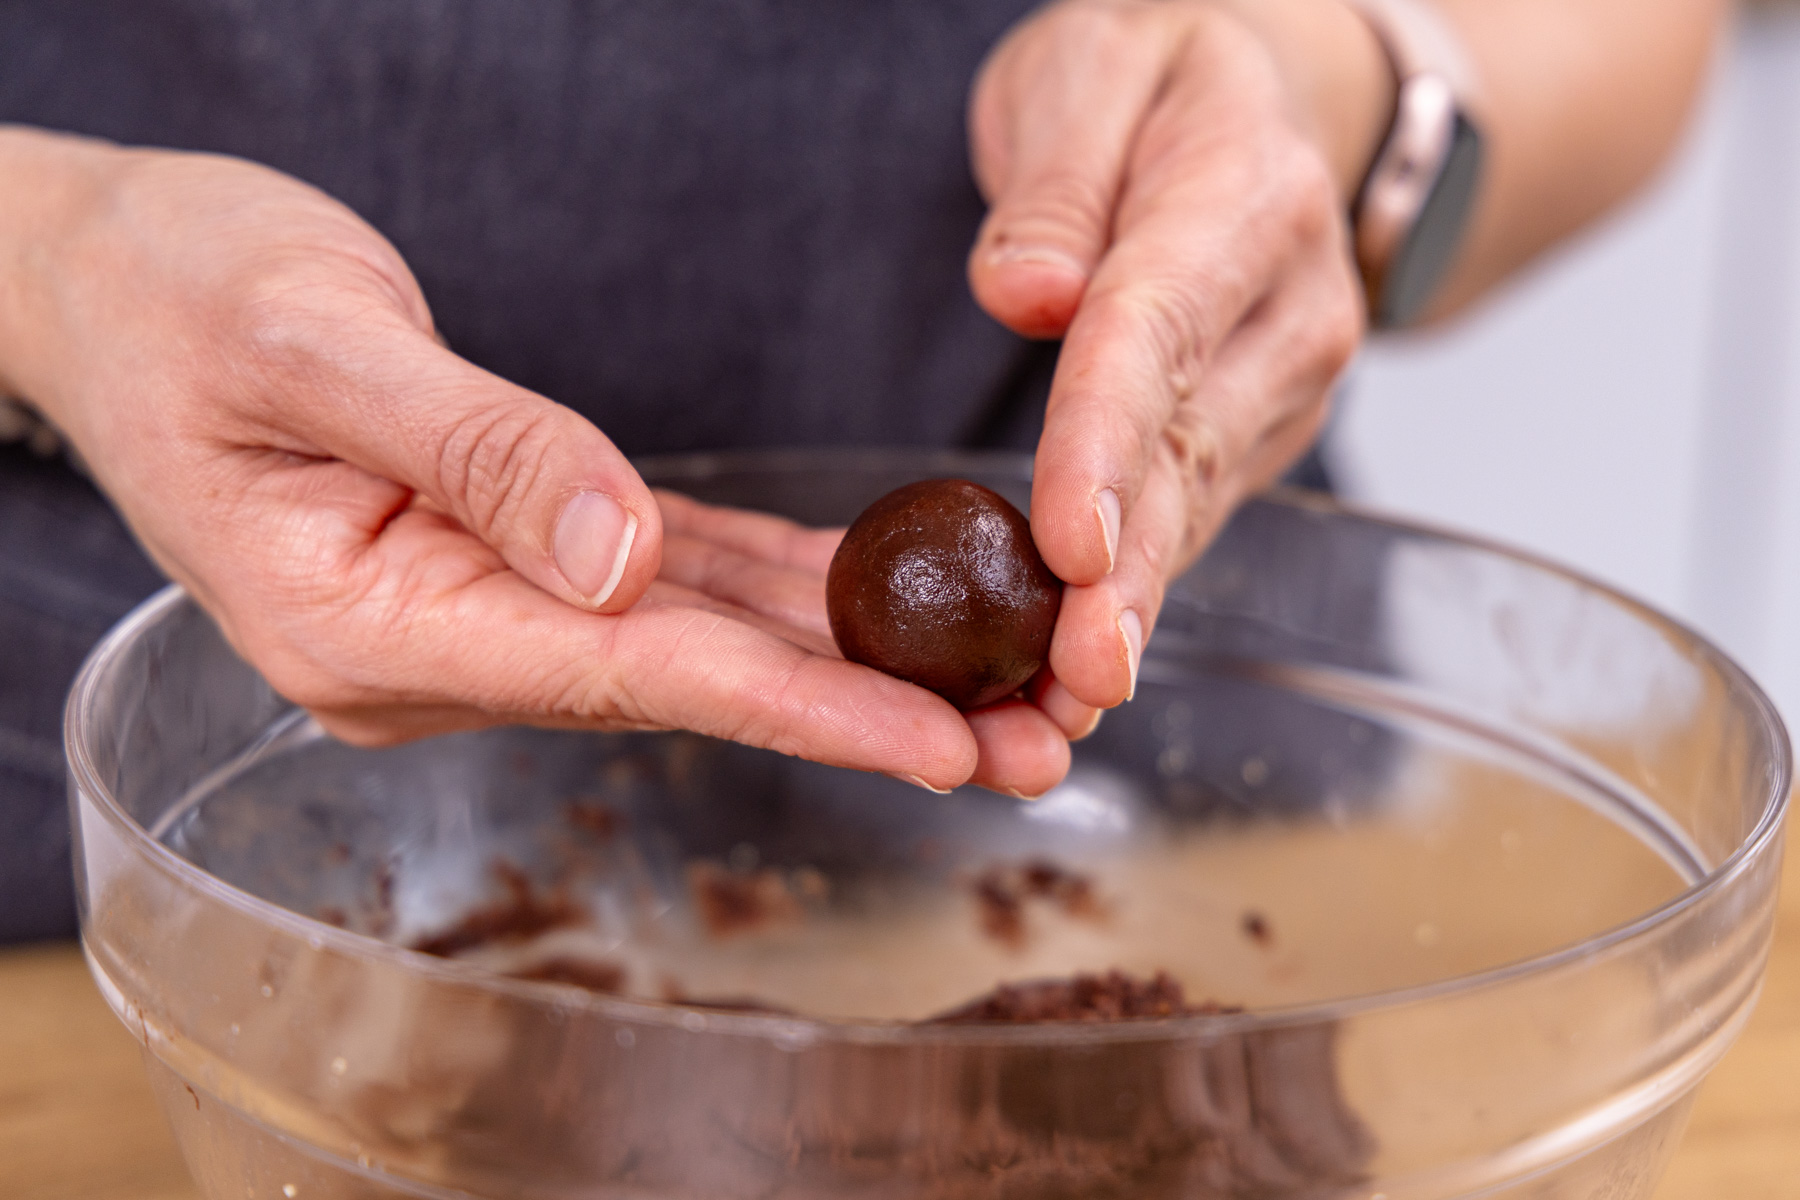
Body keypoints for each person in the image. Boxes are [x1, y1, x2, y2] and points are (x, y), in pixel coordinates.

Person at [0, 0, 1726, 941]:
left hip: (1152, 794)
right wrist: (53, 251)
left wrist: (1332, 85)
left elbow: (1641, 35)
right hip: (150, 817)